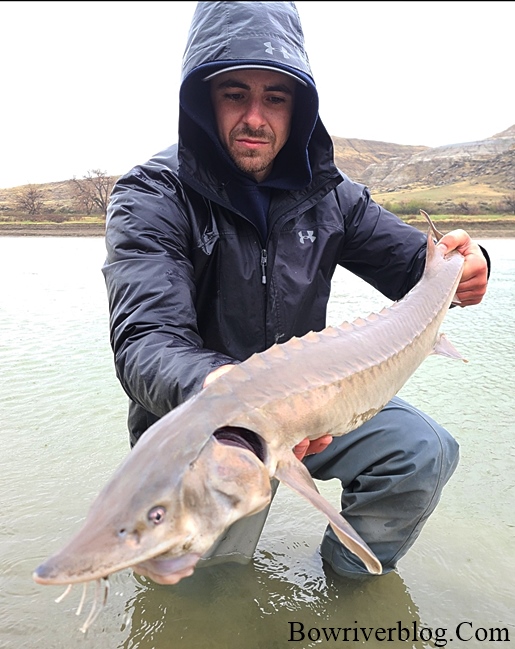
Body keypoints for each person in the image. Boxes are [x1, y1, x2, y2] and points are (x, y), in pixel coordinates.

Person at [102, 1, 489, 579]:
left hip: (322, 403)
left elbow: (421, 268)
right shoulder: (153, 195)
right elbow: (145, 343)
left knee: (422, 450)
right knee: (197, 583)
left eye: (275, 98)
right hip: (210, 419)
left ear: (298, 106)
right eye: (235, 93)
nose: (255, 117)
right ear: (203, 100)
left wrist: (473, 262)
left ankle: (350, 584)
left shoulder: (333, 195)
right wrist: (244, 403)